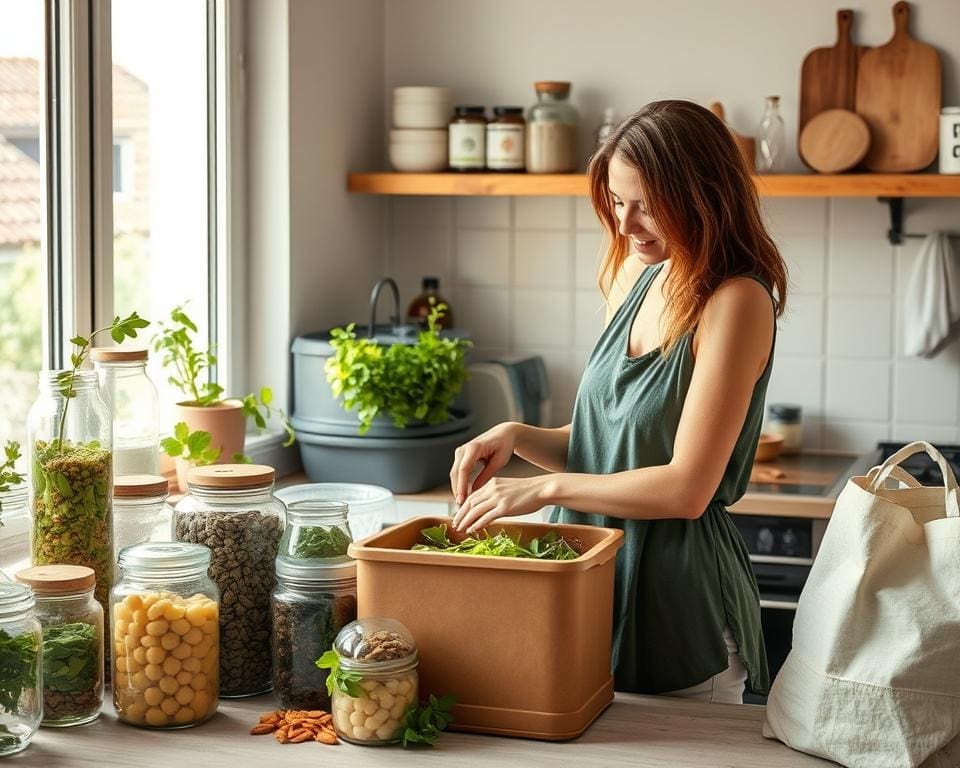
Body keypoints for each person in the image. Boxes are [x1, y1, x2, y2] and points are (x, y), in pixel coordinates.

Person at [448, 100, 788, 704]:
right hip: (588, 580)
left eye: (648, 206)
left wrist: (542, 489)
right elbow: (605, 448)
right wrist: (519, 435)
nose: (627, 224)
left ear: (704, 197)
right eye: (617, 200)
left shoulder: (736, 301)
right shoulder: (637, 274)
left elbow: (686, 488)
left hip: (676, 606)